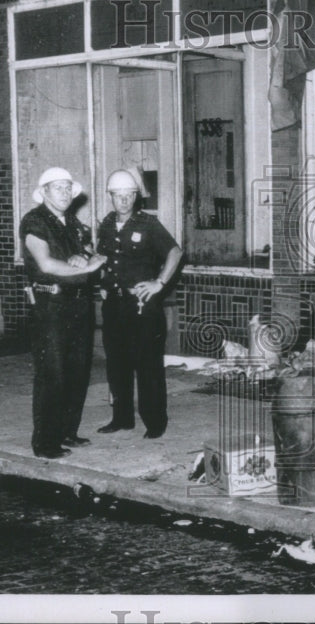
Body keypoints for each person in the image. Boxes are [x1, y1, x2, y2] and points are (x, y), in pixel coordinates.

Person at [20, 167, 106, 459]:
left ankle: (68, 431)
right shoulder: (34, 222)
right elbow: (45, 264)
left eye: (68, 188)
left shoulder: (71, 222)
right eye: (58, 188)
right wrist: (88, 266)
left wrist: (83, 256)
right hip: (51, 306)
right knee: (52, 373)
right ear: (44, 192)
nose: (66, 193)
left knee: (77, 371)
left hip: (78, 303)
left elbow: (89, 250)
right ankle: (45, 443)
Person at [96, 169, 183, 439]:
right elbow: (102, 256)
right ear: (110, 196)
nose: (123, 201)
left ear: (135, 196)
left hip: (142, 307)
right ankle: (121, 418)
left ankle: (155, 422)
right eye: (118, 196)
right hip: (115, 306)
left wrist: (159, 282)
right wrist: (103, 285)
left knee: (147, 365)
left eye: (128, 195)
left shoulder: (148, 224)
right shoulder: (107, 224)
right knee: (117, 364)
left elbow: (175, 252)